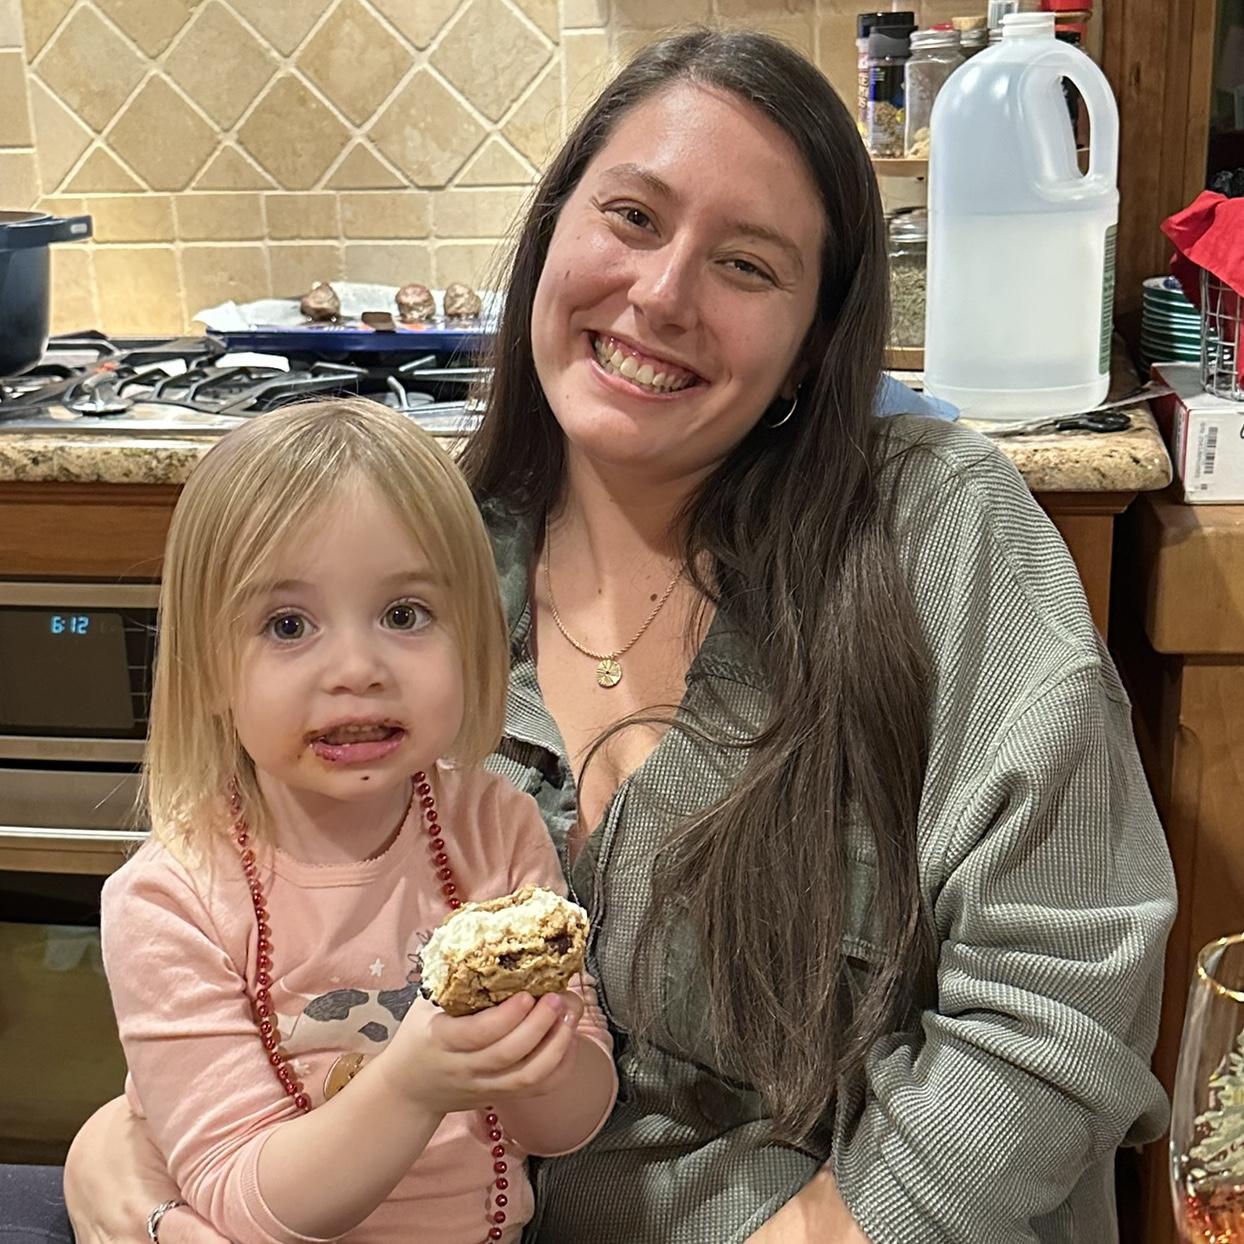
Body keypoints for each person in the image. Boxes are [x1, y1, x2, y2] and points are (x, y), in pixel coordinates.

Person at [21, 25, 1175, 1244]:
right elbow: (261, 972)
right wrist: (128, 1160)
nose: (662, 294)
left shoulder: (935, 529)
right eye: (631, 217)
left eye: (746, 264)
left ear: (809, 346)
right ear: (549, 235)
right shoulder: (423, 568)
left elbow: (1056, 1004)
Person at [96, 400, 616, 1244]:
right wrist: (412, 1084)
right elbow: (241, 1198)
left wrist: (534, 1056)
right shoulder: (170, 901)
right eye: (288, 625)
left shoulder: (497, 830)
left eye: (404, 614)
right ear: (208, 669)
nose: (357, 669)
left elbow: (569, 1126)